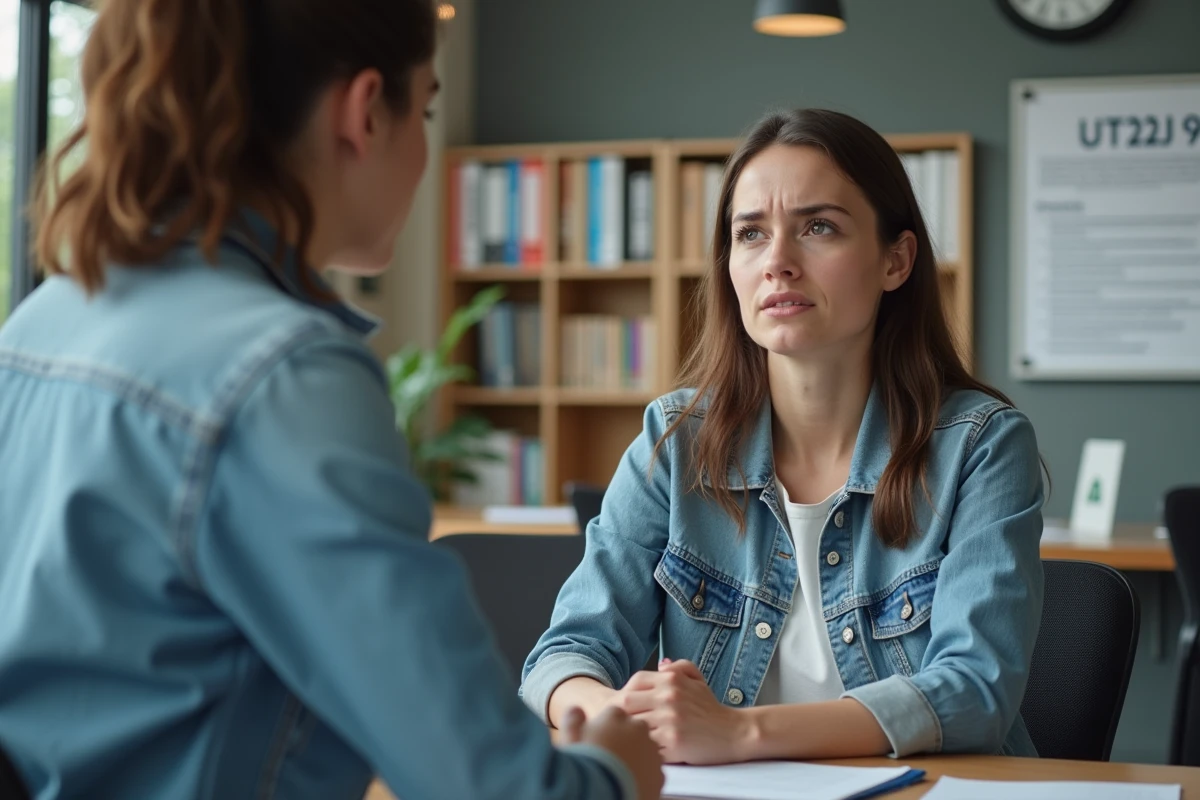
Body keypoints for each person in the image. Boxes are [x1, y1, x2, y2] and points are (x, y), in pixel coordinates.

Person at [0, 1, 664, 798]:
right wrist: (616, 771)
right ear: (363, 112)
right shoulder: (284, 376)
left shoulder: (43, 320)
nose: (423, 149)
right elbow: (500, 789)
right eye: (421, 109)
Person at [521, 108, 1046, 765]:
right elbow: (565, 653)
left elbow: (975, 691)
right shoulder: (675, 439)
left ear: (896, 259)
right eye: (750, 234)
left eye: (818, 227)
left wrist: (739, 734)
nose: (778, 262)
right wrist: (622, 713)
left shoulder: (980, 446)